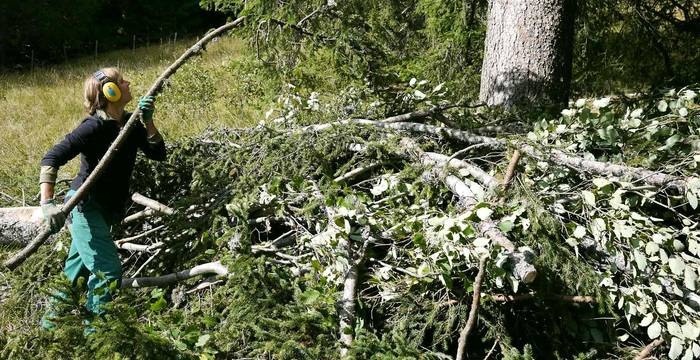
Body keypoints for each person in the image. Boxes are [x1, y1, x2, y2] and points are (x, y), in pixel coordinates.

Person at [39, 67, 167, 329]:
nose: (128, 83)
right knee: (107, 271)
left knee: (75, 274)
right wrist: (47, 204)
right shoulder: (93, 127)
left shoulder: (130, 124)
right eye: (122, 81)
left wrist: (148, 121)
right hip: (85, 207)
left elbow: (158, 154)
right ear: (110, 91)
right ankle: (98, 337)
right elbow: (51, 158)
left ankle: (48, 331)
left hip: (106, 210)